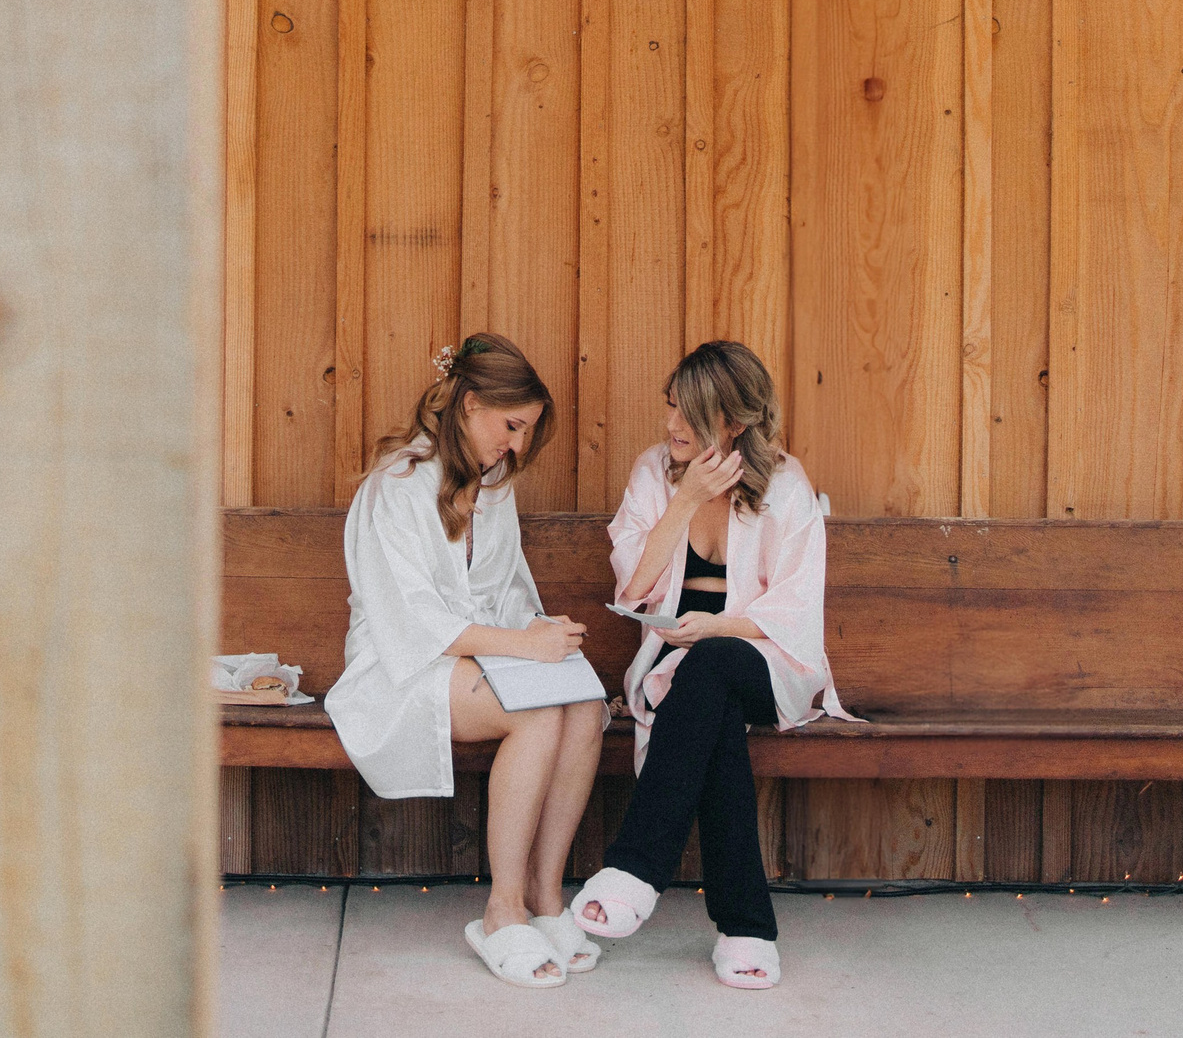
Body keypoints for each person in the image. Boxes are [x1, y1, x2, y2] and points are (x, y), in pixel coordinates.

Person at [324, 333, 606, 989]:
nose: (517, 444)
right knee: (534, 713)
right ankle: (500, 910)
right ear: (470, 402)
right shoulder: (395, 485)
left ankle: (545, 897)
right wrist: (523, 647)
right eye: (511, 426)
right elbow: (415, 621)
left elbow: (503, 592)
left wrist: (539, 628)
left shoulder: (494, 487)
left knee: (586, 705)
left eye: (528, 431)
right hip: (398, 668)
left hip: (471, 658)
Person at [570, 340, 851, 990]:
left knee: (717, 664)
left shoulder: (784, 484)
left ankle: (636, 869)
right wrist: (685, 498)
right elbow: (632, 591)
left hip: (766, 662)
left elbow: (796, 609)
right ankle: (746, 926)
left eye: (692, 416)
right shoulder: (655, 472)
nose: (672, 425)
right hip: (680, 668)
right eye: (672, 406)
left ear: (735, 422)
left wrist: (718, 625)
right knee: (709, 699)